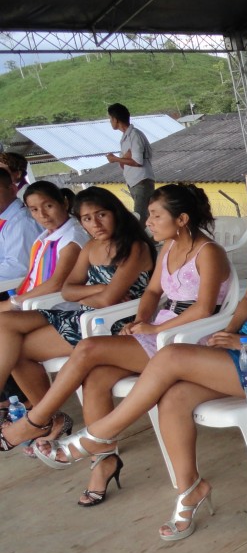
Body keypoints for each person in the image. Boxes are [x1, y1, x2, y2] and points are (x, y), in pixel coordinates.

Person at [31, 170, 247, 542]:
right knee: (173, 396)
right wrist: (233, 332)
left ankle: (98, 435)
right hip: (243, 346)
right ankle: (188, 488)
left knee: (170, 357)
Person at [0, 184, 230, 505]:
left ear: (181, 219)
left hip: (191, 337)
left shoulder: (209, 252)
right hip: (158, 328)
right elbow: (150, 294)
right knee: (96, 376)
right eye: (149, 215)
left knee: (88, 350)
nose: (148, 221)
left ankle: (37, 420)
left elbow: (204, 309)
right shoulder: (168, 248)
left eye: (155, 215)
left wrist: (148, 326)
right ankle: (103, 462)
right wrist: (143, 320)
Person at [0, 187, 156, 451]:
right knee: (7, 332)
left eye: (101, 214)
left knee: (16, 345)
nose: (94, 223)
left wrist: (90, 296)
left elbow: (109, 301)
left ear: (115, 213)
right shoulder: (91, 246)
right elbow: (69, 290)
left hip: (114, 322)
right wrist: (96, 290)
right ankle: (48, 417)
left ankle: (44, 419)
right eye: (86, 218)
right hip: (82, 314)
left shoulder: (134, 247)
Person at [1, 180, 89, 314]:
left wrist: (13, 303)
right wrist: (15, 297)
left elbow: (56, 284)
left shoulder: (72, 239)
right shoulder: (44, 237)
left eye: (48, 206)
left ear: (64, 203)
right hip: (32, 302)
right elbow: (31, 275)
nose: (42, 215)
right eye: (34, 210)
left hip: (55, 308)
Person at [105, 103, 155, 221]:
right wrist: (123, 159)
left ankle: (138, 239)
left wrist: (115, 159)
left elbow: (138, 162)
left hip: (141, 181)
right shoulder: (126, 137)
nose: (110, 122)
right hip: (135, 181)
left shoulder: (134, 135)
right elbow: (126, 163)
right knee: (146, 217)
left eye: (111, 119)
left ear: (116, 120)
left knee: (140, 217)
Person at [0, 168, 40, 294]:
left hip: (16, 292)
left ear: (12, 190)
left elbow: (17, 268)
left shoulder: (22, 222)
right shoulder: (6, 218)